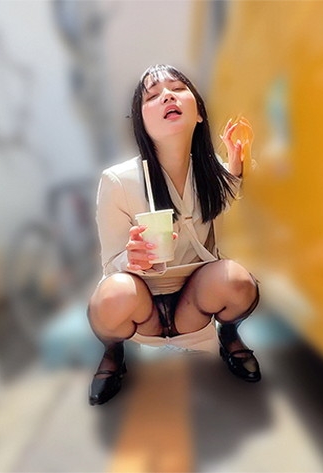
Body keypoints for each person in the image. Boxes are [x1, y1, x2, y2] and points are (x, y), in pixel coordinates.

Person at [88, 64, 260, 406]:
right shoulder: (118, 181)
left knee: (239, 282)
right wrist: (130, 259)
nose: (168, 95)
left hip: (194, 302)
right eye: (153, 96)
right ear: (141, 122)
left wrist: (235, 164)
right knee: (112, 296)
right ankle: (113, 351)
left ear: (199, 113)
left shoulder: (211, 171)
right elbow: (111, 264)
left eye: (179, 89)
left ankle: (228, 333)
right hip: (144, 308)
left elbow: (229, 191)